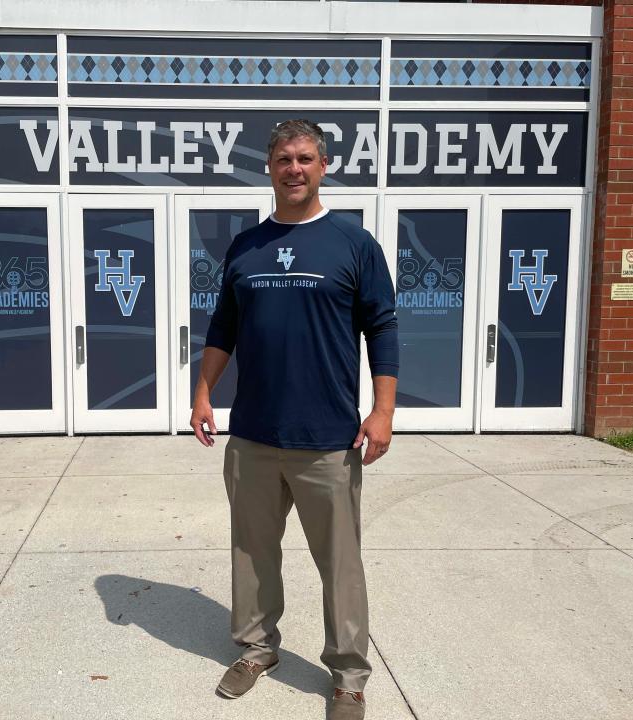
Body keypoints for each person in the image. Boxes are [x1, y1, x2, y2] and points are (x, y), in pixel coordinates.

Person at [190, 119, 398, 720]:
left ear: (324, 165)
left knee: (340, 564)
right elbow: (223, 328)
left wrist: (382, 411)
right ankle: (257, 648)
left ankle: (349, 676)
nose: (294, 168)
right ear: (270, 167)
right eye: (284, 159)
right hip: (253, 434)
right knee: (252, 552)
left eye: (305, 158)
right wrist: (204, 391)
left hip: (327, 439)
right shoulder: (246, 246)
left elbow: (382, 327)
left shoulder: (353, 244)